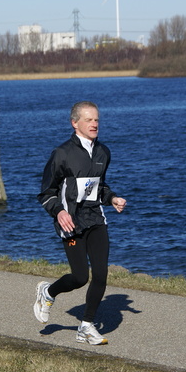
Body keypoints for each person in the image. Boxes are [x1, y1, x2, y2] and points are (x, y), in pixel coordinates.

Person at [35, 101, 127, 346]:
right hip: (71, 224)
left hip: (96, 219)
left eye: (96, 119)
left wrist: (112, 198)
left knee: (100, 274)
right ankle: (48, 293)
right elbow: (46, 192)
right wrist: (59, 212)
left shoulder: (103, 152)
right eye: (89, 120)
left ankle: (86, 326)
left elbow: (98, 188)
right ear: (75, 123)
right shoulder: (62, 153)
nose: (94, 124)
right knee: (79, 277)